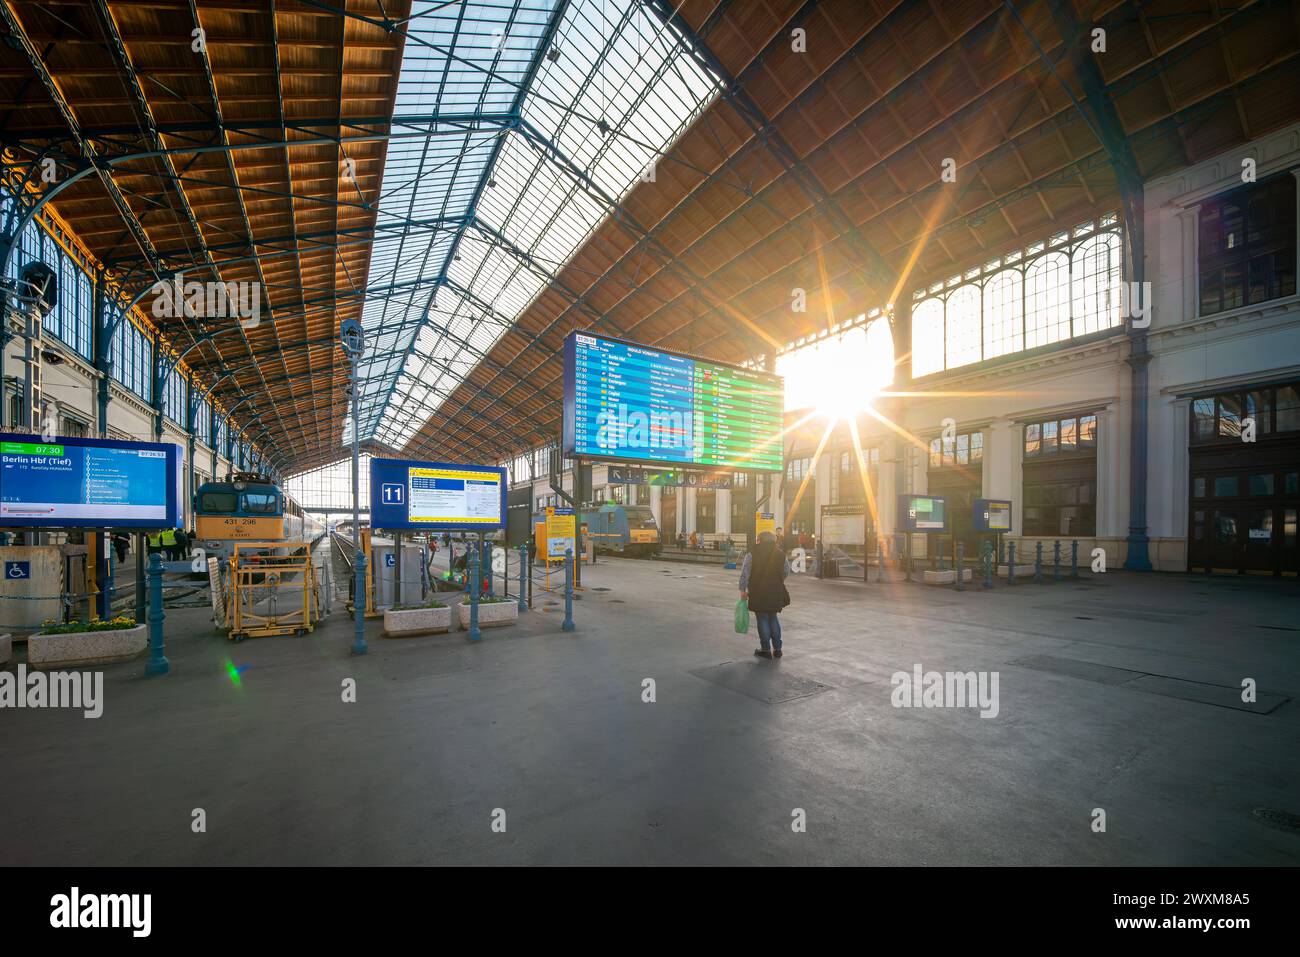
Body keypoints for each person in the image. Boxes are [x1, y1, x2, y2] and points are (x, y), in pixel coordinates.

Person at [739, 530, 791, 660]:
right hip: (775, 590)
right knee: (773, 617)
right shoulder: (780, 554)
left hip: (757, 590)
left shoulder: (752, 554)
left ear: (759, 540)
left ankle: (766, 649)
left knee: (762, 618)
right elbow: (786, 571)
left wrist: (742, 590)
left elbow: (745, 573)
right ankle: (778, 649)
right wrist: (777, 581)